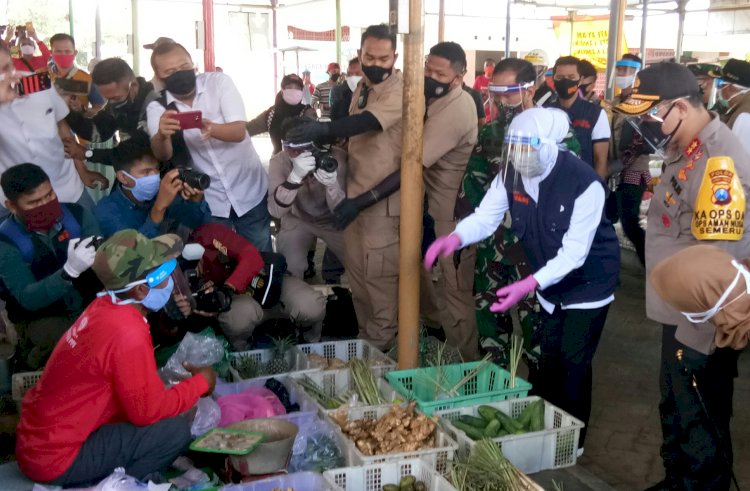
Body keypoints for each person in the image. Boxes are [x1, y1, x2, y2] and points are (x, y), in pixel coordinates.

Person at [427, 108, 620, 452]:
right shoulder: (511, 173)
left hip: (588, 284)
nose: (519, 157)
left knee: (573, 365)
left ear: (549, 144)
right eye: (512, 149)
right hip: (548, 283)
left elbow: (574, 255)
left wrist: (528, 284)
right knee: (549, 362)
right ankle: (543, 435)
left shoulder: (584, 183)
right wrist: (455, 237)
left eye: (526, 147)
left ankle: (572, 443)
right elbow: (486, 218)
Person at [613, 62, 750, 491]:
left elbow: (719, 265)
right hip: (680, 313)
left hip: (701, 321)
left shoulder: (717, 162)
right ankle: (678, 480)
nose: (645, 126)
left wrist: (695, 341)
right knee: (676, 405)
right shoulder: (685, 146)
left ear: (679, 108)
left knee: (699, 415)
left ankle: (700, 485)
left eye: (651, 116)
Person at [15, 229, 216, 487]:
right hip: (57, 460)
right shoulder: (128, 332)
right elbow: (147, 413)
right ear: (142, 291)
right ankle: (124, 483)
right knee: (173, 431)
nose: (170, 284)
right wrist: (201, 383)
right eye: (165, 278)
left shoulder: (103, 306)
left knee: (165, 408)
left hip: (40, 443)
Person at [284, 24, 403, 349]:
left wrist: (321, 129)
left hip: (383, 205)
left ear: (395, 56)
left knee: (380, 286)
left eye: (383, 58)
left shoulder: (400, 90)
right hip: (352, 200)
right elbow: (354, 136)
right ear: (360, 55)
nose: (376, 64)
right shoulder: (363, 86)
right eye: (369, 57)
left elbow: (368, 123)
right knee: (360, 284)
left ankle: (381, 357)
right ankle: (368, 344)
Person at [453, 58, 581, 362]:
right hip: (493, 250)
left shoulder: (555, 130)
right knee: (489, 324)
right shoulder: (491, 132)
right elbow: (472, 184)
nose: (502, 100)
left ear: (531, 89)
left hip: (534, 249)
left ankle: (540, 389)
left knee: (537, 328)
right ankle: (495, 384)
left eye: (510, 92)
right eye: (496, 92)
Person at [147, 42, 272, 252]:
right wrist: (162, 135)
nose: (179, 73)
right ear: (159, 76)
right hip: (211, 198)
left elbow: (239, 132)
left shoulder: (218, 83)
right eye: (170, 71)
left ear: (193, 64)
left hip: (249, 188)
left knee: (262, 256)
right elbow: (162, 154)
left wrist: (211, 128)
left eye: (184, 66)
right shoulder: (157, 107)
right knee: (219, 259)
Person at [0, 164, 100, 369]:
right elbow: (28, 298)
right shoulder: (6, 242)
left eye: (49, 195)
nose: (45, 204)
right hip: (42, 316)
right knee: (67, 347)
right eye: (34, 202)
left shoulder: (77, 216)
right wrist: (68, 272)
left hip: (89, 302)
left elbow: (104, 258)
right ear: (10, 205)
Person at [421, 42, 480, 360]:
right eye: (427, 69)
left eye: (439, 73)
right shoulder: (438, 99)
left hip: (453, 215)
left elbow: (416, 159)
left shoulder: (457, 108)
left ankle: (468, 364)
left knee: (455, 290)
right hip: (437, 210)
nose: (430, 77)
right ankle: (444, 337)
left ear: (459, 76)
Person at [187, 223, 326, 350]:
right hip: (238, 301)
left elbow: (251, 256)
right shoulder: (175, 274)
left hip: (265, 281)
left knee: (311, 305)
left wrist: (229, 287)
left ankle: (311, 344)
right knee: (237, 319)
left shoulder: (205, 235)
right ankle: (244, 353)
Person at [0, 44, 100, 215]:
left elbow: (61, 124)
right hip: (16, 199)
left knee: (91, 235)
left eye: (7, 67)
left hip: (66, 186)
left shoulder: (39, 83)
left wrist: (82, 170)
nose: (7, 76)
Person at [268, 117, 347, 279]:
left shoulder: (337, 158)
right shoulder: (279, 161)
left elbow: (340, 210)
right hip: (298, 218)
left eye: (305, 148)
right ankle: (298, 298)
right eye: (291, 149)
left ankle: (336, 282)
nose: (298, 154)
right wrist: (294, 178)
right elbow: (275, 211)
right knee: (288, 265)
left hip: (332, 221)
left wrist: (332, 185)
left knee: (358, 260)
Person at [94, 149, 210, 238]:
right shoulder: (106, 210)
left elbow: (195, 224)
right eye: (146, 172)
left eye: (156, 170)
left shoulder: (162, 192)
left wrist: (195, 201)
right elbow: (133, 256)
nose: (154, 177)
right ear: (123, 177)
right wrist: (158, 209)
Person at [63, 58, 157, 167]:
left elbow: (134, 153)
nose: (111, 102)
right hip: (129, 173)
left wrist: (87, 153)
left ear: (134, 85)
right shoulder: (116, 102)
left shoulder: (154, 107)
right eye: (107, 98)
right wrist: (68, 112)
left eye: (115, 97)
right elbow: (98, 131)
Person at [609, 54, 648, 265]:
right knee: (608, 217)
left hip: (633, 170)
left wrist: (617, 166)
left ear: (637, 74)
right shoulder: (615, 102)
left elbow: (638, 141)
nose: (622, 74)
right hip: (614, 171)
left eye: (628, 71)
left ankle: (650, 265)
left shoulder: (641, 103)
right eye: (620, 70)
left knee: (630, 222)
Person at [551, 56, 610, 177]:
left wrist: (598, 191)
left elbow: (601, 160)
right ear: (553, 79)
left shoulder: (596, 114)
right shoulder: (545, 112)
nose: (565, 81)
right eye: (560, 78)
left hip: (583, 186)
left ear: (580, 80)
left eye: (571, 77)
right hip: (550, 186)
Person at [246, 73, 316, 156]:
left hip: (307, 162)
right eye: (289, 87)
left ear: (301, 91)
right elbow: (247, 130)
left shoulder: (308, 112)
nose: (293, 91)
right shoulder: (271, 114)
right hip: (278, 163)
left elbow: (317, 135)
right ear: (282, 91)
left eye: (297, 88)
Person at [47, 33, 104, 114]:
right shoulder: (42, 76)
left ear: (75, 53)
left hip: (78, 125)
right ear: (51, 53)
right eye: (58, 51)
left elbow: (100, 109)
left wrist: (82, 108)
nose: (63, 55)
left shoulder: (87, 79)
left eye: (67, 51)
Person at [709, 58, 750, 129]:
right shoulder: (740, 110)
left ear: (731, 88)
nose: (719, 89)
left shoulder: (744, 116)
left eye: (720, 84)